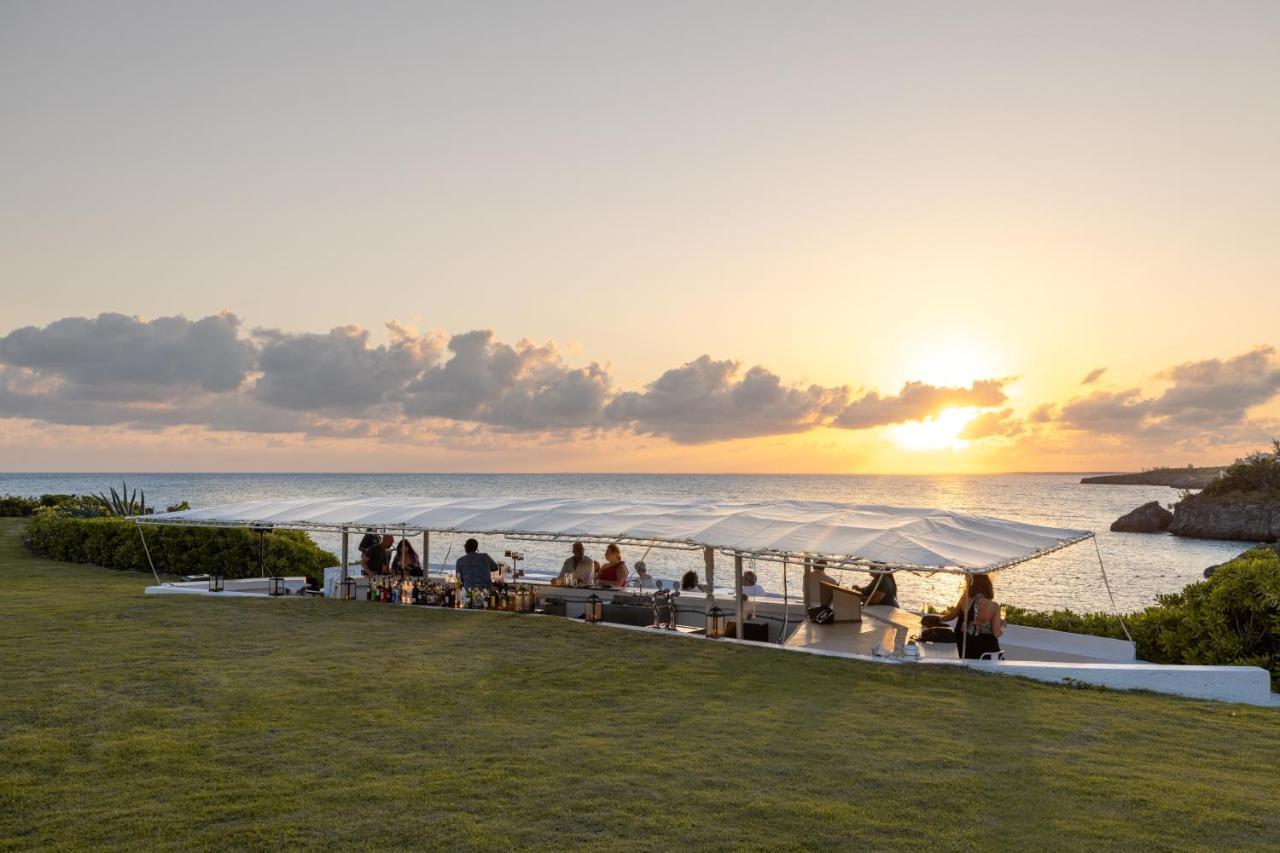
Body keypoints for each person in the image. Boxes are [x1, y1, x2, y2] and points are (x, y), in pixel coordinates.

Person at [939, 574, 1004, 660]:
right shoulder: (994, 606)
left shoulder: (964, 600)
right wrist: (1003, 625)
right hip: (987, 649)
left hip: (967, 648)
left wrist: (938, 620)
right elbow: (997, 633)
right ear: (988, 586)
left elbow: (953, 615)